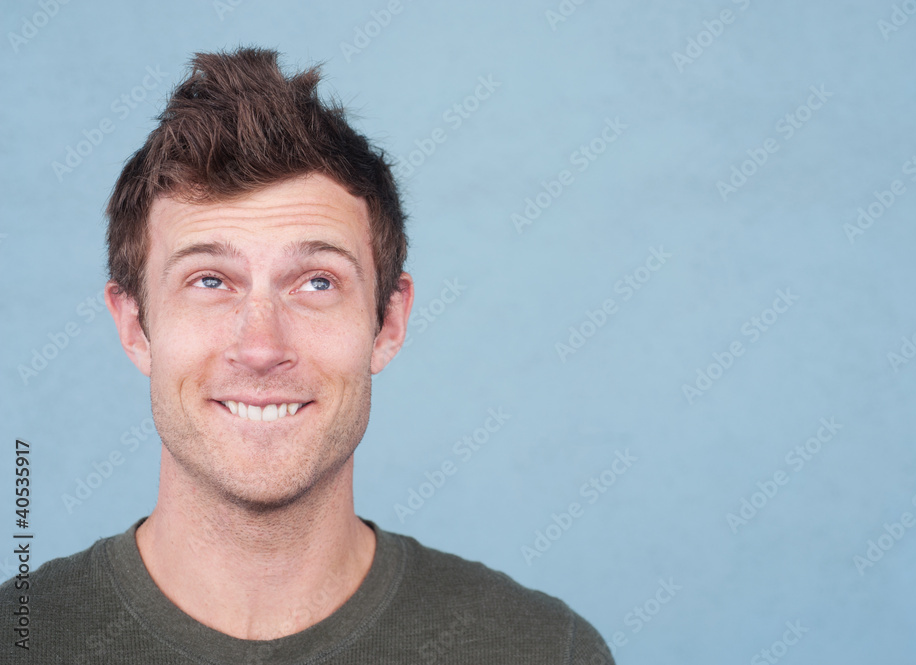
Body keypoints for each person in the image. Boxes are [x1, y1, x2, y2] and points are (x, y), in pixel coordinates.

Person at [0, 47, 615, 664]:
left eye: (317, 282)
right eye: (210, 281)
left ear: (388, 322)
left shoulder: (540, 650)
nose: (261, 348)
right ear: (135, 326)